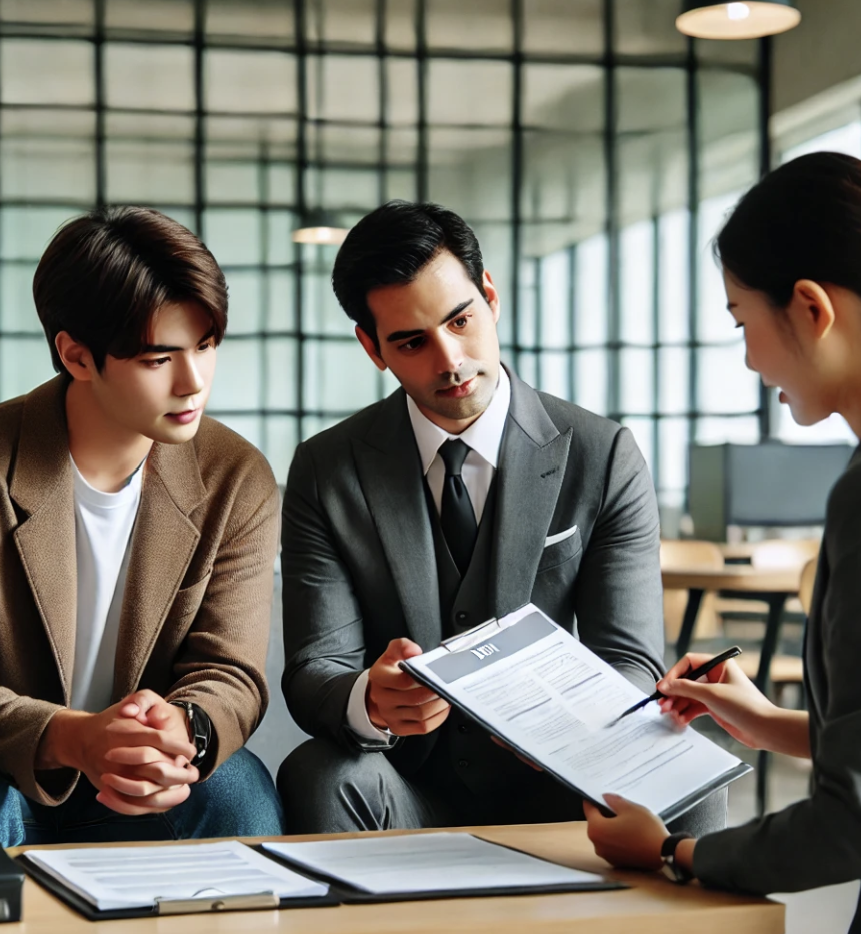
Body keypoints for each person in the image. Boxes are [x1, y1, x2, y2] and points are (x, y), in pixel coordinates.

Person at [584, 152, 861, 933]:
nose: (751, 359)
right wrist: (768, 723)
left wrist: (673, 851)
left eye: (742, 321)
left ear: (812, 309)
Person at [278, 200, 725, 835]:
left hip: (563, 784)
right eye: (411, 341)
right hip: (407, 788)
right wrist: (370, 700)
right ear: (372, 348)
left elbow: (630, 657)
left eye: (460, 321)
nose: (449, 361)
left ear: (489, 296)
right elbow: (315, 669)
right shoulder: (327, 470)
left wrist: (568, 721)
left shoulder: (601, 454)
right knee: (322, 773)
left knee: (688, 777)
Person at [0, 206, 283, 847]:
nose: (194, 383)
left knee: (238, 794)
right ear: (76, 355)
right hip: (11, 767)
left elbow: (230, 668)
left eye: (205, 347)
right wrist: (72, 737)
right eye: (160, 359)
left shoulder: (235, 477)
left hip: (147, 778)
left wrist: (182, 729)